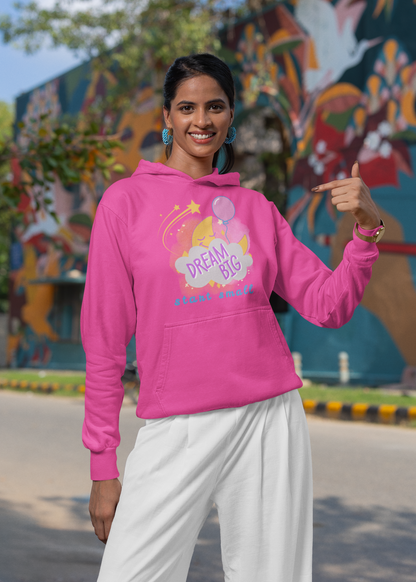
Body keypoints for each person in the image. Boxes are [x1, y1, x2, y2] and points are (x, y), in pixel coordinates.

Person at [80, 52, 383, 582]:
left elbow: (327, 305)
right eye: (188, 107)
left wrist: (366, 232)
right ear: (168, 118)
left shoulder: (256, 210)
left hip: (268, 419)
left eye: (215, 106)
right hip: (175, 426)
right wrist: (103, 464)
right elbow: (104, 341)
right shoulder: (123, 203)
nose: (202, 120)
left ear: (230, 116)